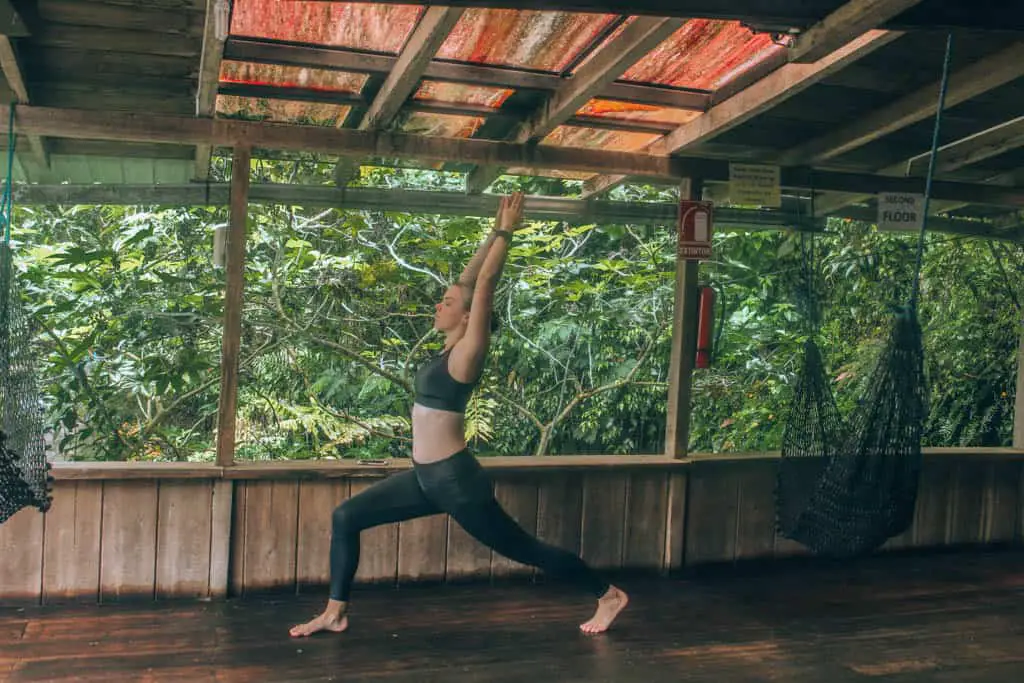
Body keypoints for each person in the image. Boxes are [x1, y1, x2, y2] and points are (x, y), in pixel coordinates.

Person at [289, 193, 628, 638]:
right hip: (425, 479)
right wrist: (492, 230)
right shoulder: (447, 349)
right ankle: (334, 612)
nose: (438, 305)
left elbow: (482, 288)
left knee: (525, 548)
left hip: (455, 482)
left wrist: (506, 232)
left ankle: (608, 595)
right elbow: (470, 281)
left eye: (447, 303)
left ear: (469, 318)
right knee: (346, 516)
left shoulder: (467, 355)